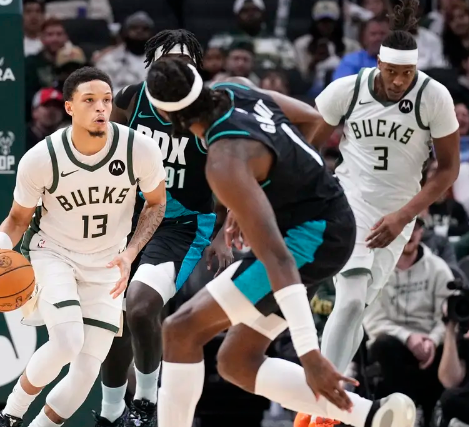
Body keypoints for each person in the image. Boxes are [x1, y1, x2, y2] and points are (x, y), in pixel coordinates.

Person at [144, 57, 416, 427]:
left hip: (308, 239)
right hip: (333, 219)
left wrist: (309, 354)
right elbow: (312, 118)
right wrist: (253, 194)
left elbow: (279, 260)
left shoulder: (224, 163)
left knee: (180, 331)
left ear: (165, 114)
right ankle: (375, 415)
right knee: (237, 361)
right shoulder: (236, 87)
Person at [0, 67, 167, 427]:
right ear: (69, 107)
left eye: (106, 100)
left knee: (86, 372)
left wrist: (130, 253)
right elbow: (17, 218)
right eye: (89, 100)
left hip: (108, 263)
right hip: (53, 252)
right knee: (67, 340)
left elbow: (156, 203)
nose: (101, 107)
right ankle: (9, 415)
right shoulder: (41, 158)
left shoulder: (139, 149)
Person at [299, 0, 461, 426]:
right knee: (351, 300)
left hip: (399, 215)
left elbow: (448, 170)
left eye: (408, 73)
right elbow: (306, 148)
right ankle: (321, 406)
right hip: (350, 203)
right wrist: (315, 198)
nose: (400, 81)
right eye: (392, 72)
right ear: (378, 64)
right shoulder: (347, 90)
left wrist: (404, 217)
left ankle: (318, 407)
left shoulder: (433, 96)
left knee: (358, 310)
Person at [93, 29, 233, 427]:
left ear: (197, 69)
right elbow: (103, 154)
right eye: (168, 63)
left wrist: (224, 232)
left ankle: (146, 402)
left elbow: (237, 172)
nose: (176, 71)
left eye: (185, 64)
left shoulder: (212, 109)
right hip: (127, 220)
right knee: (116, 319)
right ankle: (110, 414)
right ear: (151, 66)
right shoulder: (129, 99)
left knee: (140, 308)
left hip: (181, 226)